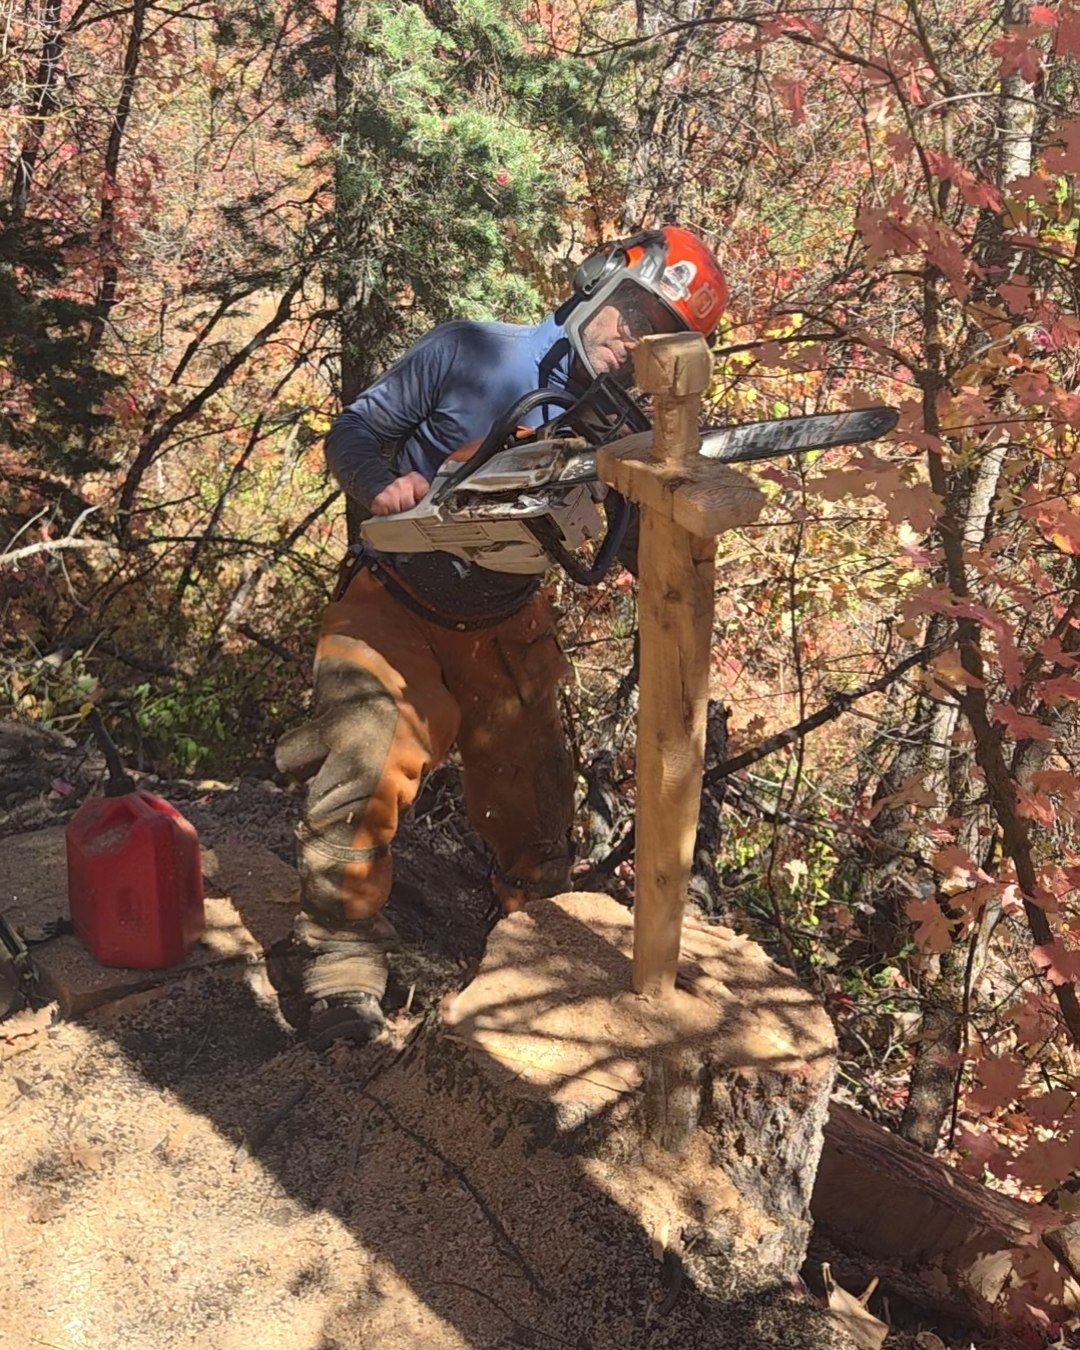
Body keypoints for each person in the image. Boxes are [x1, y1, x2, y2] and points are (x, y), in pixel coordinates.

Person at [270, 226, 728, 1047]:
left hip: (506, 622)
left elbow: (629, 551)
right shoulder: (472, 351)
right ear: (596, 289)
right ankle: (337, 955)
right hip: (394, 599)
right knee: (367, 749)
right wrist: (384, 486)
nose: (632, 342)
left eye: (658, 335)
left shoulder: (621, 430)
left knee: (538, 801)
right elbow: (354, 433)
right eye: (632, 314)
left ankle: (531, 957)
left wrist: (673, 535)